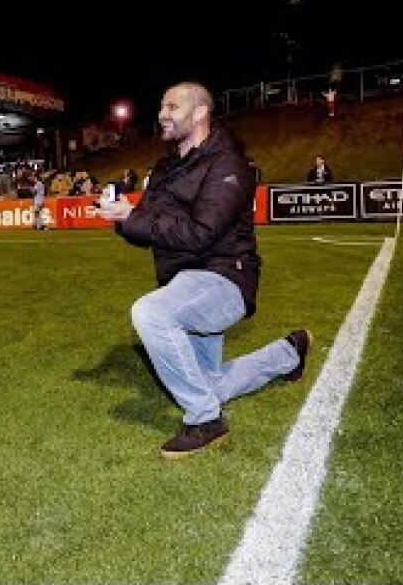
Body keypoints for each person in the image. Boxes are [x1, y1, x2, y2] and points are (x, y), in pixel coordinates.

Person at [96, 82, 312, 458]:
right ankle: (289, 353)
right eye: (162, 106)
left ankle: (205, 420)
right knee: (207, 381)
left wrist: (136, 218)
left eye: (172, 107)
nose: (162, 114)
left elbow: (201, 234)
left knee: (151, 313)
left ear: (199, 113)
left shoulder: (229, 164)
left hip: (225, 278)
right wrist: (122, 219)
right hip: (183, 285)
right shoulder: (165, 168)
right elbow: (147, 229)